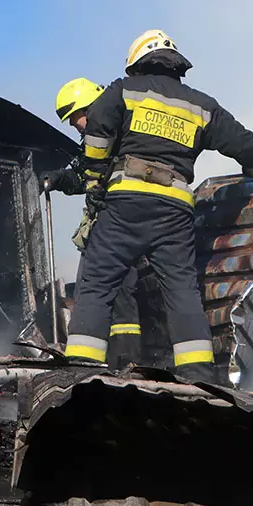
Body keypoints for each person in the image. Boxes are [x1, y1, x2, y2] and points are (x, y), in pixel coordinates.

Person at [65, 30, 253, 384]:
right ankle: (198, 375)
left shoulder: (123, 91)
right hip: (173, 210)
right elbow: (245, 145)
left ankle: (79, 372)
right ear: (176, 65)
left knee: (96, 283)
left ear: (137, 64)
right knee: (182, 291)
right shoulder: (202, 105)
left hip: (124, 204)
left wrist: (96, 178)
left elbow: (97, 134)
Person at [44, 78, 144, 368]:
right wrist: (63, 179)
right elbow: (87, 172)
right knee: (94, 290)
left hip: (126, 223)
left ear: (93, 107)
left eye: (78, 119)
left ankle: (125, 361)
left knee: (120, 290)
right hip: (107, 225)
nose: (78, 127)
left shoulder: (123, 134)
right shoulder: (101, 138)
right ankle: (92, 359)